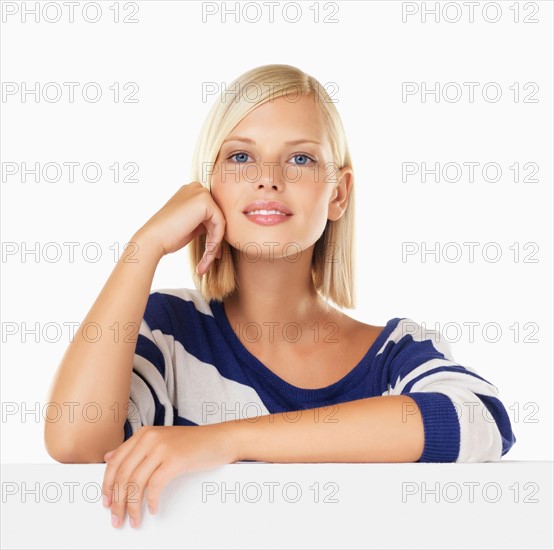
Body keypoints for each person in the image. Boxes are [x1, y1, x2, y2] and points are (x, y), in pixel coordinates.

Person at [44, 64, 516, 529]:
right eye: (241, 157)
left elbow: (478, 420)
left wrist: (223, 441)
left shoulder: (394, 352)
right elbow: (75, 442)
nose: (268, 177)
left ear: (339, 193)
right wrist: (143, 247)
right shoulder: (171, 331)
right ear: (207, 186)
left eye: (301, 159)